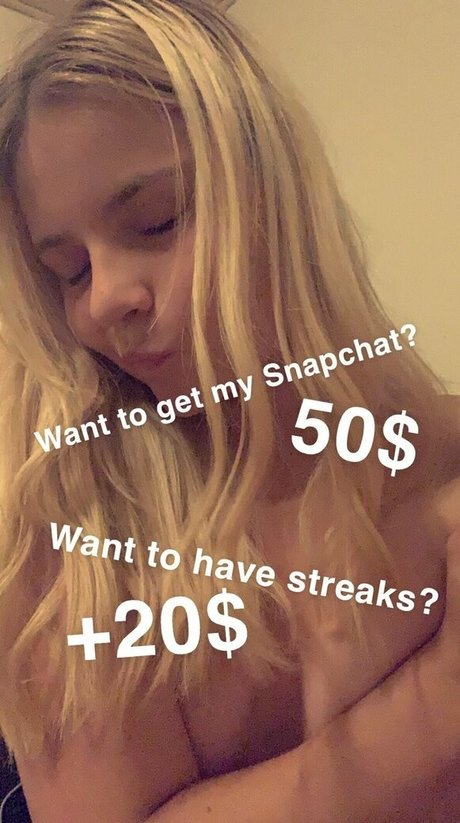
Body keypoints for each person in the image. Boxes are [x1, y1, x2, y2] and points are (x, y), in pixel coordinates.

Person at [0, 0, 458, 820]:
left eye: (156, 220)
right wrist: (439, 698)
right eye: (70, 271)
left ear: (276, 190)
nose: (102, 300)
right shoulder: (68, 522)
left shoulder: (439, 455)